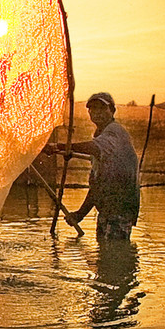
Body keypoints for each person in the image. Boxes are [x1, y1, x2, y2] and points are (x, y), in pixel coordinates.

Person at [45, 92, 140, 240]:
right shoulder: (102, 139)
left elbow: (94, 148)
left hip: (120, 209)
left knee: (114, 254)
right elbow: (97, 185)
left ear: (112, 111)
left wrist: (59, 146)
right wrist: (80, 214)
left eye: (102, 108)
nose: (97, 113)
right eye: (93, 109)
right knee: (104, 255)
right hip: (107, 210)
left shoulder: (115, 131)